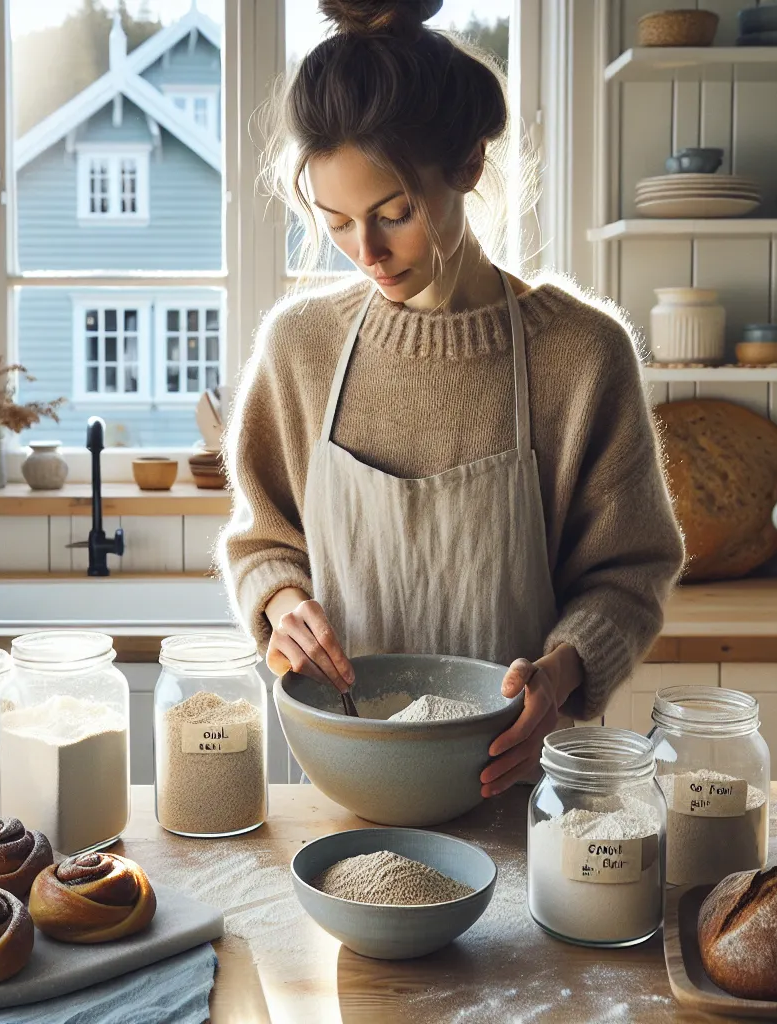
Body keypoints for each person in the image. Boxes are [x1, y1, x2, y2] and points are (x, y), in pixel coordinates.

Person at [218, 0, 685, 798]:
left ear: (468, 165)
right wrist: (282, 601)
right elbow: (264, 540)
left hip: (524, 788)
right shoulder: (302, 347)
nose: (366, 252)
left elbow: (629, 575)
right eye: (335, 222)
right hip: (342, 790)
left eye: (393, 214)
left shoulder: (580, 355)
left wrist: (563, 669)